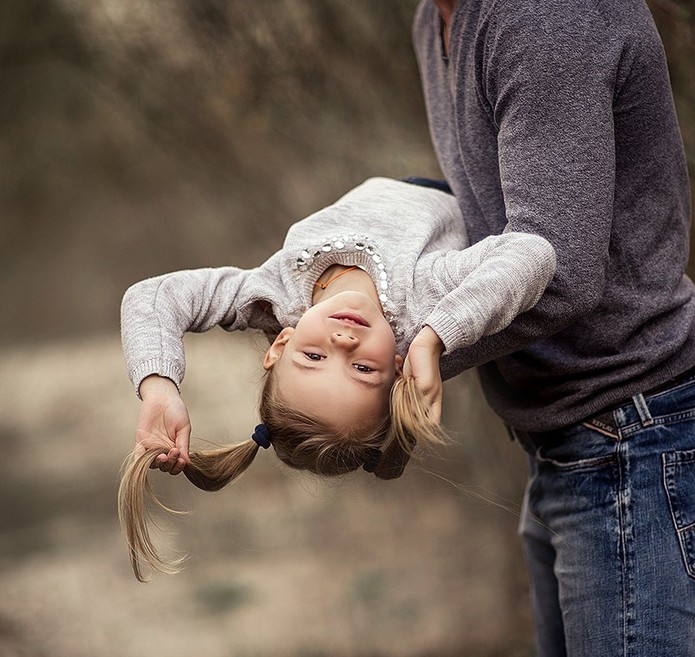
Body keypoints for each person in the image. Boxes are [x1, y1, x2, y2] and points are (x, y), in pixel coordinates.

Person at [411, 2, 695, 656]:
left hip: (635, 428)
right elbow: (485, 219)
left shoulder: (543, 16)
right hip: (568, 431)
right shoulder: (434, 17)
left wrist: (400, 350)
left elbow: (555, 266)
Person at [118, 176, 555, 581]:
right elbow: (533, 253)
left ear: (280, 344)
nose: (343, 342)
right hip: (461, 183)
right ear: (399, 370)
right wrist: (436, 337)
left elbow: (152, 297)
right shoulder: (425, 299)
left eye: (311, 356)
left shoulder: (273, 295)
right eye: (363, 370)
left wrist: (159, 385)